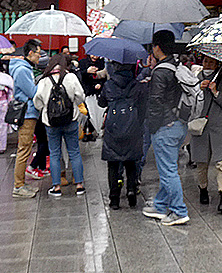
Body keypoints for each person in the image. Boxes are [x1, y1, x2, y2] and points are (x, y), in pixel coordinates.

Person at [142, 29, 190, 226]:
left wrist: (153, 127)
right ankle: (161, 205)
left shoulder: (161, 71)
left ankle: (179, 211)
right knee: (167, 167)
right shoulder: (175, 66)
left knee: (168, 170)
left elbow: (156, 102)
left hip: (165, 126)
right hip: (179, 124)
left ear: (157, 47)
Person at [33, 53, 86, 197]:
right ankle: (79, 185)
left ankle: (56, 187)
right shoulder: (71, 77)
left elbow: (37, 102)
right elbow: (81, 96)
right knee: (74, 151)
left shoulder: (44, 80)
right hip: (71, 120)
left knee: (55, 153)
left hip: (51, 122)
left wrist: (46, 108)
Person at [98, 60, 146, 209]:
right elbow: (143, 108)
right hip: (132, 127)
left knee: (113, 164)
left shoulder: (109, 85)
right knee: (131, 162)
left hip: (113, 128)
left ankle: (114, 199)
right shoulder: (137, 85)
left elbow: (101, 103)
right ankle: (131, 190)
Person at [191, 54, 222, 214]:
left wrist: (216, 92)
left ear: (217, 64)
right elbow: (189, 101)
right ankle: (203, 189)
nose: (208, 64)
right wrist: (198, 90)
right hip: (200, 126)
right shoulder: (195, 78)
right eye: (205, 61)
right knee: (201, 162)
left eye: (211, 62)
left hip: (220, 126)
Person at [9, 39, 42, 198]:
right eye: (38, 53)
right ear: (30, 53)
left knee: (26, 149)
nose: (39, 56)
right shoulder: (22, 70)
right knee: (24, 149)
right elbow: (32, 92)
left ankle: (21, 183)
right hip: (27, 113)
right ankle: (18, 186)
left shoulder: (25, 67)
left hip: (29, 113)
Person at [78, 53, 106, 141]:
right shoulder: (83, 62)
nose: (94, 57)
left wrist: (100, 84)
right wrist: (87, 71)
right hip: (87, 91)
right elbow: (79, 75)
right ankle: (87, 132)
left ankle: (96, 130)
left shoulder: (102, 64)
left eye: (97, 55)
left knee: (98, 112)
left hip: (98, 92)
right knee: (87, 112)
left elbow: (105, 78)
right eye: (92, 55)